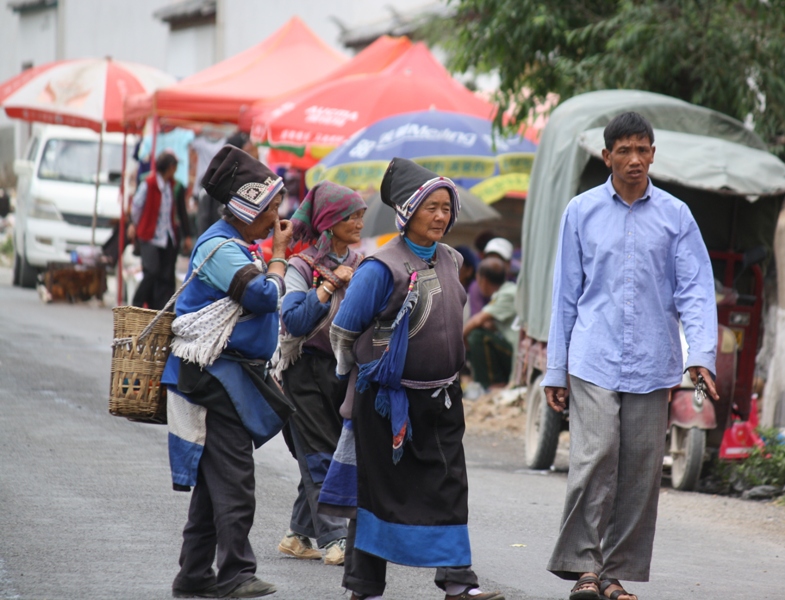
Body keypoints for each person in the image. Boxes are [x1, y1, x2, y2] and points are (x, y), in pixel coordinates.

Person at [542, 112, 718, 600]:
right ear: (607, 156)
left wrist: (700, 354)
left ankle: (615, 575)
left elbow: (696, 291)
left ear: (653, 154)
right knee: (595, 457)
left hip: (653, 360)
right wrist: (555, 368)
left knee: (641, 470)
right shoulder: (580, 211)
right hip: (592, 356)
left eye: (643, 149)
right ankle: (582, 566)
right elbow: (566, 295)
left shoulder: (676, 216)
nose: (635, 159)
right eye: (625, 150)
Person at [329, 157, 504, 600]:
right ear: (408, 212)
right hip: (388, 405)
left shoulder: (452, 259)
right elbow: (344, 330)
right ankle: (363, 588)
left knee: (449, 489)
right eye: (432, 207)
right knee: (377, 495)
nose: (442, 216)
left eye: (447, 207)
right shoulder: (380, 267)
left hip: (442, 401)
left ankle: (458, 582)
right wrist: (365, 374)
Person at [161, 145, 295, 599]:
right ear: (246, 206)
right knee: (234, 475)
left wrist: (271, 257)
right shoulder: (219, 246)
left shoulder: (237, 243)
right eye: (271, 206)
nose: (277, 214)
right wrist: (278, 260)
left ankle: (194, 573)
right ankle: (236, 572)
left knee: (215, 478)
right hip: (214, 375)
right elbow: (260, 296)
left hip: (229, 374)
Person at [274, 181, 367, 566]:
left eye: (361, 214)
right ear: (330, 221)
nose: (360, 222)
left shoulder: (364, 264)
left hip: (342, 372)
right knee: (319, 455)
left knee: (330, 450)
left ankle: (298, 535)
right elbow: (293, 321)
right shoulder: (301, 266)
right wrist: (329, 284)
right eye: (352, 216)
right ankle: (335, 539)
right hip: (304, 372)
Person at [128, 151, 193, 310]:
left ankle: (159, 309)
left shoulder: (172, 186)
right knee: (151, 271)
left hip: (167, 236)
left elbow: (179, 212)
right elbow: (136, 206)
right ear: (170, 167)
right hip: (149, 235)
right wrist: (135, 224)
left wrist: (185, 234)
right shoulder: (149, 183)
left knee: (166, 276)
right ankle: (136, 304)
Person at [463, 257, 516, 390]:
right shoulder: (506, 291)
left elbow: (477, 320)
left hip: (517, 354)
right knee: (479, 332)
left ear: (483, 280)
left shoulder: (508, 294)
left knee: (477, 336)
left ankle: (493, 384)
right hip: (511, 349)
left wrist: (461, 338)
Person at [466, 237, 512, 316]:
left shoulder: (514, 286)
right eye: (490, 258)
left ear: (509, 264)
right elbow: (477, 317)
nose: (494, 263)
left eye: (500, 259)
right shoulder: (477, 286)